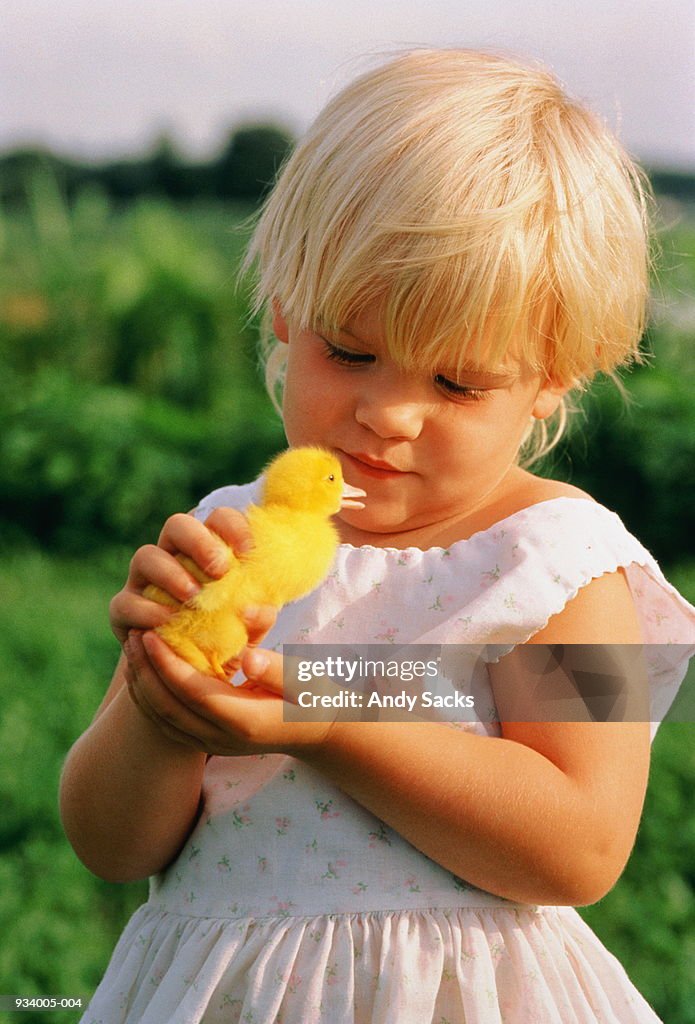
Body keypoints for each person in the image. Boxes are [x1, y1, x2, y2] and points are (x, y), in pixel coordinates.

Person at [61, 49, 695, 1023]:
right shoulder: (236, 529)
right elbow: (111, 845)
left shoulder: (565, 562)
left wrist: (325, 718)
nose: (387, 415)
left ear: (554, 376)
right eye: (348, 350)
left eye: (455, 383)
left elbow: (580, 847)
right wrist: (156, 710)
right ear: (283, 311)